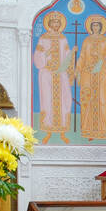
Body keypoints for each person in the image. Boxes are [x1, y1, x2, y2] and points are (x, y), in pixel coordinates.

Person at [33, 11, 73, 144]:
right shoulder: (43, 38)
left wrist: (71, 58)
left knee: (63, 99)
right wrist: (46, 54)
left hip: (60, 74)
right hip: (47, 74)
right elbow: (37, 57)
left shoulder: (63, 39)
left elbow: (67, 56)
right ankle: (48, 131)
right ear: (49, 24)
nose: (55, 24)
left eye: (58, 22)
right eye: (53, 22)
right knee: (48, 100)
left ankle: (62, 133)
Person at [77, 16, 106, 141]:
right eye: (93, 25)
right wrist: (78, 69)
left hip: (102, 75)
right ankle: (90, 132)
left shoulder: (105, 41)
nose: (95, 27)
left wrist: (101, 57)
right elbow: (82, 56)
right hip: (88, 74)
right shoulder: (87, 41)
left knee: (103, 101)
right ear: (91, 27)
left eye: (97, 25)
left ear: (101, 27)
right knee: (89, 101)